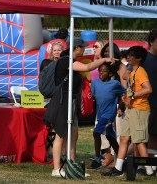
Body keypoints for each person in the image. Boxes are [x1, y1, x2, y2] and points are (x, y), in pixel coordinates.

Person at [45, 37, 114, 178]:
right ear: (76, 48)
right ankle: (56, 169)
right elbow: (88, 67)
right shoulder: (66, 61)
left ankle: (72, 166)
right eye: (82, 47)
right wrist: (104, 60)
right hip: (62, 102)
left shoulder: (71, 61)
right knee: (60, 135)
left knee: (73, 135)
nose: (84, 49)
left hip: (70, 102)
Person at [103, 46, 154, 176]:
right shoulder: (132, 71)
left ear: (139, 58)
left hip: (139, 109)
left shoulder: (141, 71)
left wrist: (132, 95)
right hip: (131, 109)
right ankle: (118, 168)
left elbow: (148, 89)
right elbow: (124, 75)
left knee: (139, 141)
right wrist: (118, 64)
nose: (129, 57)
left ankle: (149, 169)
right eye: (128, 55)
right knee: (124, 138)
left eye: (131, 55)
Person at [87, 64, 126, 170]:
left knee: (96, 133)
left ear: (110, 74)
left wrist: (121, 105)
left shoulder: (115, 84)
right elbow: (93, 97)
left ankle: (97, 159)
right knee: (110, 137)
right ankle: (122, 160)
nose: (101, 73)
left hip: (109, 114)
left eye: (104, 71)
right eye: (100, 71)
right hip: (100, 113)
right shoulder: (95, 83)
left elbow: (124, 93)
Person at [144, 29, 157, 150]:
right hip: (147, 105)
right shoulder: (144, 59)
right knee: (150, 137)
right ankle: (150, 165)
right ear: (151, 42)